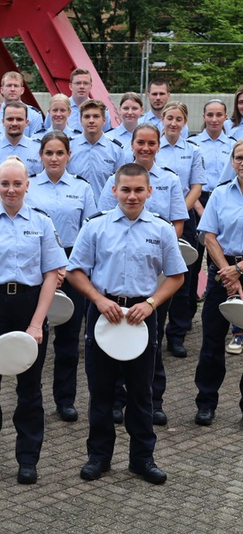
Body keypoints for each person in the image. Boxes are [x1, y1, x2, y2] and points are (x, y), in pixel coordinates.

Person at [67, 162, 186, 485]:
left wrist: (151, 304)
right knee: (101, 390)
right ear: (113, 190)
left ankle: (142, 459)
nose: (132, 197)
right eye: (125, 190)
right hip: (103, 313)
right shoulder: (96, 227)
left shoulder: (161, 229)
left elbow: (176, 276)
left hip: (141, 317)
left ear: (149, 191)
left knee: (140, 392)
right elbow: (74, 270)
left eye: (138, 190)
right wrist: (97, 299)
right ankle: (99, 457)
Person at [0, 156, 66, 485]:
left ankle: (27, 459)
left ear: (27, 185)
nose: (11, 189)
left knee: (30, 390)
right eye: (5, 183)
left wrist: (37, 323)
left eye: (17, 183)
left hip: (29, 304)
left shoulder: (42, 222)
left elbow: (52, 274)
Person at [97, 123, 188, 426]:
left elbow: (175, 222)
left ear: (158, 146)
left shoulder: (170, 180)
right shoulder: (117, 178)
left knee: (150, 348)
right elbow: (104, 223)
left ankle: (154, 399)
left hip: (152, 269)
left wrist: (164, 254)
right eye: (140, 142)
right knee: (113, 350)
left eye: (151, 143)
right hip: (116, 280)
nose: (145, 148)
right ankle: (116, 402)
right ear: (132, 144)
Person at [26, 131, 97, 421]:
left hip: (72, 266)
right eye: (48, 153)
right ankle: (30, 398)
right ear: (40, 156)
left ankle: (65, 399)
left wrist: (67, 268)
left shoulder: (82, 188)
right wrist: (48, 269)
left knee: (68, 339)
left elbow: (89, 231)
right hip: (36, 266)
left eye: (59, 153)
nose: (54, 158)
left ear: (69, 155)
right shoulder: (29, 187)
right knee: (34, 335)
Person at [194, 138, 243, 427]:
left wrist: (238, 269)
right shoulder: (221, 194)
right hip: (221, 271)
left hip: (234, 268)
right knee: (212, 341)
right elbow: (209, 236)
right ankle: (206, 403)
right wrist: (228, 271)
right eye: (239, 157)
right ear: (232, 161)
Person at [157, 101, 205, 358]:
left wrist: (179, 213)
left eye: (179, 119)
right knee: (154, 275)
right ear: (162, 119)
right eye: (170, 118)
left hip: (182, 222)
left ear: (185, 122)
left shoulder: (193, 150)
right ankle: (153, 330)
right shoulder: (154, 145)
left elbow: (196, 186)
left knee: (181, 278)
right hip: (154, 221)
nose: (174, 123)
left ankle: (176, 334)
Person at [67, 99, 124, 200]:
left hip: (103, 209)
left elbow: (121, 184)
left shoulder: (116, 150)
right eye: (87, 116)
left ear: (104, 120)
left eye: (96, 116)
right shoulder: (68, 146)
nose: (91, 120)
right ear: (80, 120)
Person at [0, 100, 43, 177]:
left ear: (27, 122)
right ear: (3, 121)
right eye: (10, 119)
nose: (14, 123)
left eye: (19, 119)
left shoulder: (39, 149)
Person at [0, 71, 44, 138]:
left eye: (16, 86)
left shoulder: (34, 115)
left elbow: (36, 143)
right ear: (2, 90)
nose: (12, 89)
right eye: (9, 85)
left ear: (22, 90)